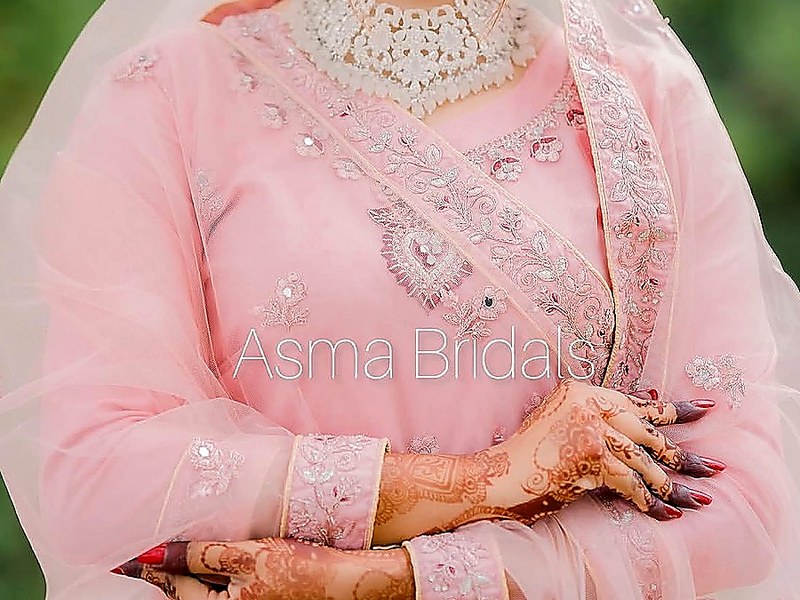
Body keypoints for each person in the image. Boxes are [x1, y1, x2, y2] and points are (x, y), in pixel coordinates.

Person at [1, 0, 799, 598]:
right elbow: (96, 475)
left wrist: (391, 580)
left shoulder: (640, 99)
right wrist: (490, 478)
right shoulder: (173, 93)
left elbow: (745, 499)